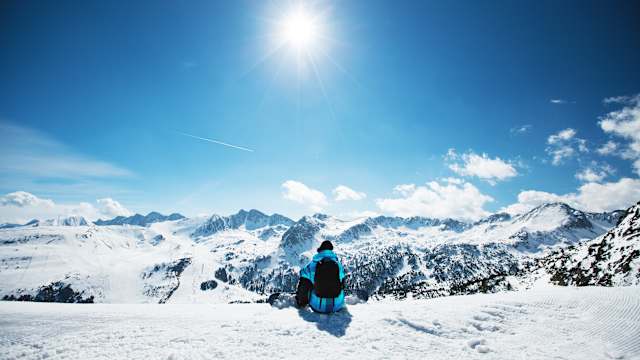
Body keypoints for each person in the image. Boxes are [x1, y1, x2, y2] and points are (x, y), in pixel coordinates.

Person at [295, 240, 347, 313]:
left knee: (306, 280)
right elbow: (343, 283)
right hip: (337, 306)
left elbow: (302, 276)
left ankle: (302, 302)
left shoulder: (312, 265)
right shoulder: (339, 265)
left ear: (320, 250)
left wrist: (300, 301)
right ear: (331, 250)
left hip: (317, 306)